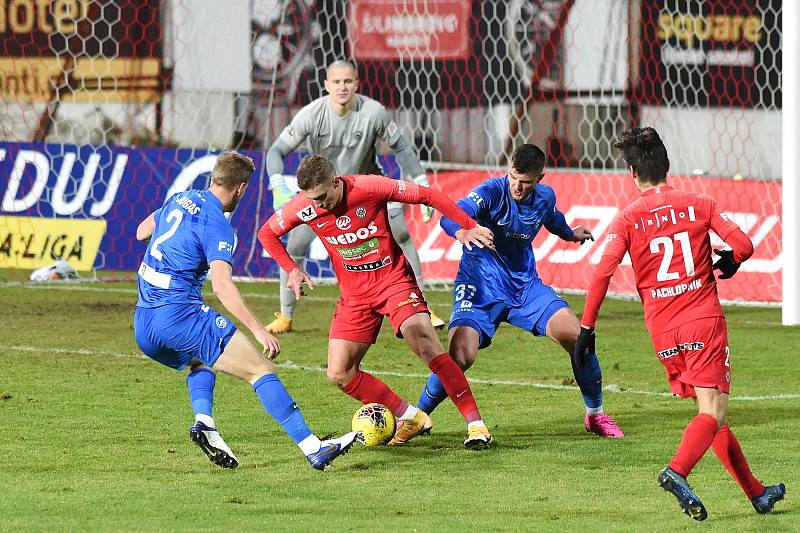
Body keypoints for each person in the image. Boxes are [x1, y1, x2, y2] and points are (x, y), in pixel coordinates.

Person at [573, 127, 784, 520]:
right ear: (667, 165)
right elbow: (744, 246)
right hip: (702, 321)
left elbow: (602, 273)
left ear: (633, 172)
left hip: (662, 330)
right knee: (713, 412)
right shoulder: (700, 203)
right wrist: (732, 261)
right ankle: (677, 471)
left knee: (710, 413)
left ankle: (757, 492)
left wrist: (587, 328)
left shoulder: (627, 218)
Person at [133, 151, 358, 471]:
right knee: (261, 371)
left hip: (144, 323)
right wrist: (259, 329)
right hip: (180, 315)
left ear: (214, 178)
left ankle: (205, 423)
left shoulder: (180, 198)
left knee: (200, 360)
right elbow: (222, 287)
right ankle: (313, 447)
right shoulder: (217, 226)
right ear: (240, 189)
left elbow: (142, 231)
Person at [258, 154, 496, 449]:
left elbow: (427, 195)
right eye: (311, 200)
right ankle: (411, 416)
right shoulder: (306, 207)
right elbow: (267, 233)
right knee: (339, 373)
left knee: (424, 342)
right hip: (354, 296)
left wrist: (468, 225)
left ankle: (476, 425)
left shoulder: (370, 187)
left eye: (321, 198)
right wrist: (291, 268)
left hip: (393, 282)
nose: (318, 206)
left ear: (335, 182)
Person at [415, 144, 624, 438]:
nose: (517, 186)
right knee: (460, 356)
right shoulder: (490, 192)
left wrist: (570, 234)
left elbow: (551, 217)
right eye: (513, 177)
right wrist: (463, 231)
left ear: (539, 178)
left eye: (525, 182)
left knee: (580, 339)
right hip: (480, 285)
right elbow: (451, 214)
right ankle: (418, 415)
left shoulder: (544, 196)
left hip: (525, 287)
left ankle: (595, 415)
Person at [265, 59, 445, 333]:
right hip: (324, 197)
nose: (342, 87)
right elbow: (276, 151)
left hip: (368, 194)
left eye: (348, 81)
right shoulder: (311, 114)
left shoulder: (374, 112)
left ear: (357, 83)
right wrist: (277, 185)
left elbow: (402, 147)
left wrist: (420, 178)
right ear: (326, 85)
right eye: (336, 82)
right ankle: (286, 316)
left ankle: (422, 305)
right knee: (295, 246)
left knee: (402, 237)